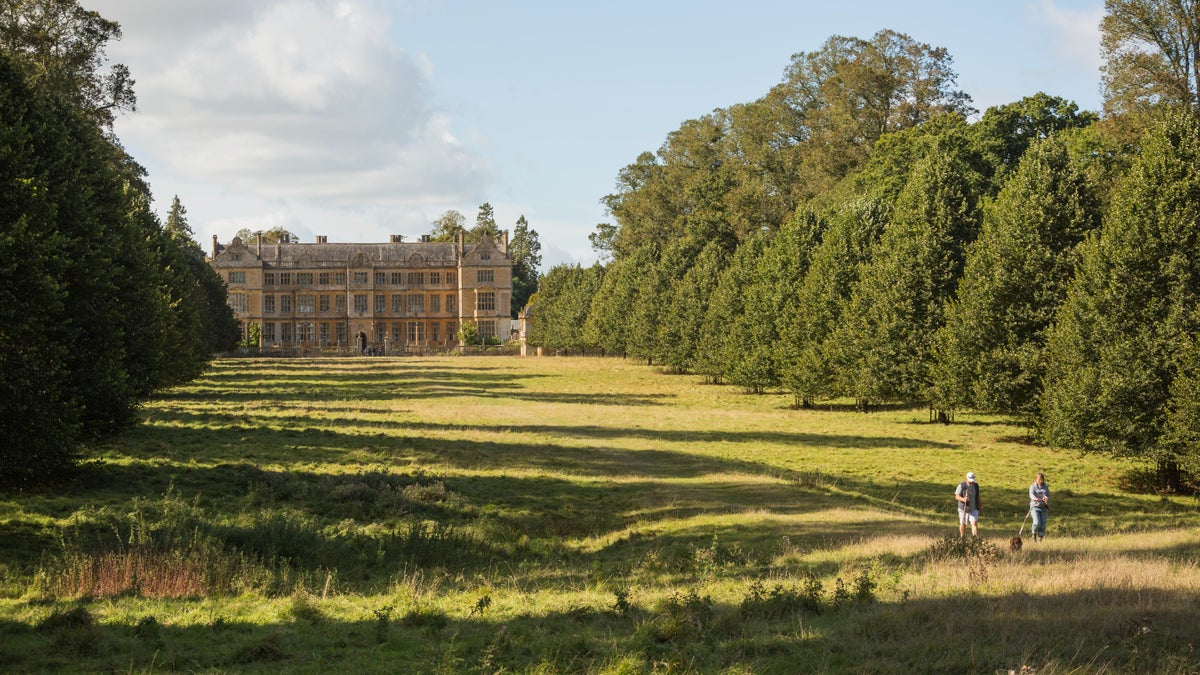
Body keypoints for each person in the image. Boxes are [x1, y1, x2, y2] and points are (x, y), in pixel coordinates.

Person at [955, 471, 981, 537]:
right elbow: (957, 496)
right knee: (963, 524)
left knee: (974, 523)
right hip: (963, 508)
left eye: (972, 480)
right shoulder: (961, 485)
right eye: (970, 481)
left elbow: (978, 497)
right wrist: (963, 499)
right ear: (966, 479)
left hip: (973, 508)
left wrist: (980, 507)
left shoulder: (976, 486)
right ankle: (962, 538)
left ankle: (975, 539)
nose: (971, 482)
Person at [1029, 472, 1050, 542]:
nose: (1040, 481)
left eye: (1041, 480)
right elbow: (1031, 494)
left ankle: (1040, 538)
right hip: (1035, 507)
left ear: (1043, 479)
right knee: (1037, 522)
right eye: (1039, 480)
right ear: (1036, 479)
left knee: (1043, 523)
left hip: (1044, 507)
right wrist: (1035, 498)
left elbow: (1048, 496)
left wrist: (1046, 498)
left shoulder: (1046, 487)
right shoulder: (1032, 486)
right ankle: (1033, 533)